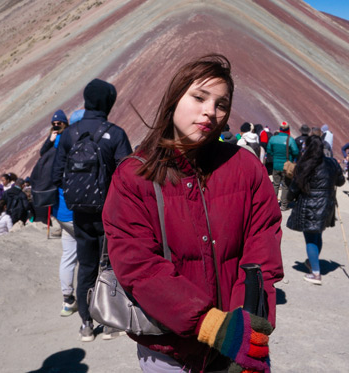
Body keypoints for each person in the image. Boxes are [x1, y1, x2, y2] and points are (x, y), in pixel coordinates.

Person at [103, 54, 282, 373]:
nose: (210, 111)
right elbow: (138, 265)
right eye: (199, 97)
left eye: (221, 104)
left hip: (238, 346)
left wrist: (246, 330)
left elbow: (261, 254)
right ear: (174, 99)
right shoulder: (134, 177)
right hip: (170, 352)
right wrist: (211, 325)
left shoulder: (245, 168)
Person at [51, 79, 132, 342]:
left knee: (86, 266)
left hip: (79, 214)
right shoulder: (116, 134)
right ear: (109, 103)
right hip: (110, 214)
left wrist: (78, 192)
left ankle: (86, 324)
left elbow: (56, 176)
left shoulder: (69, 134)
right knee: (110, 265)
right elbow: (128, 176)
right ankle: (110, 324)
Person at [286, 135, 345, 285]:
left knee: (311, 238)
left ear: (307, 147)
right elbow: (341, 182)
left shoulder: (305, 164)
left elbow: (295, 186)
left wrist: (289, 198)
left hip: (309, 206)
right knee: (317, 234)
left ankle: (316, 274)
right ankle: (313, 262)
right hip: (326, 206)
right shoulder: (332, 163)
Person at [56, 109, 83, 318]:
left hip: (62, 212)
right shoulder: (84, 146)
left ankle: (67, 301)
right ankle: (95, 300)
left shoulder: (58, 145)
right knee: (92, 257)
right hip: (80, 212)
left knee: (68, 255)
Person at [267, 121, 299, 211]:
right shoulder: (290, 140)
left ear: (280, 129)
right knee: (285, 185)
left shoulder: (273, 139)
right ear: (288, 129)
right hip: (286, 166)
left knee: (275, 184)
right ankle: (284, 205)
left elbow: (269, 150)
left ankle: (273, 204)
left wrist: (276, 156)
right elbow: (296, 152)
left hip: (276, 164)